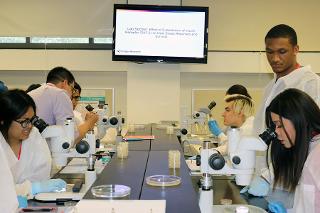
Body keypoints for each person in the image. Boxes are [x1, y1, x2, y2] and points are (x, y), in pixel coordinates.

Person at [244, 24, 320, 198]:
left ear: (296, 49)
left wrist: (267, 177)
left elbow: (306, 139)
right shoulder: (270, 87)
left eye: (282, 51)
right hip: (270, 180)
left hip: (293, 181)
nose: (275, 58)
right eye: (269, 52)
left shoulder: (310, 84)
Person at [0, 89, 66, 200]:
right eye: (24, 121)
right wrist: (33, 188)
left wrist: (33, 188)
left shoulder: (33, 135)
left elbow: (42, 175)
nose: (30, 126)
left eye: (31, 120)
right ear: (3, 120)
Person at [264, 89, 319, 212]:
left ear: (298, 118)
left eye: (280, 125)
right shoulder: (309, 148)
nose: (276, 132)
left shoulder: (317, 157)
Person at [28, 66, 98, 143]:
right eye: (72, 89)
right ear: (64, 83)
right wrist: (90, 122)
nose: (71, 95)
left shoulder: (31, 94)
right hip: (47, 152)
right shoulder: (60, 94)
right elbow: (70, 139)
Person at [208, 85, 255, 155]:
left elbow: (228, 147)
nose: (222, 114)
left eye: (227, 110)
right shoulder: (237, 125)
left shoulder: (248, 129)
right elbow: (228, 143)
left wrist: (205, 153)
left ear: (240, 111)